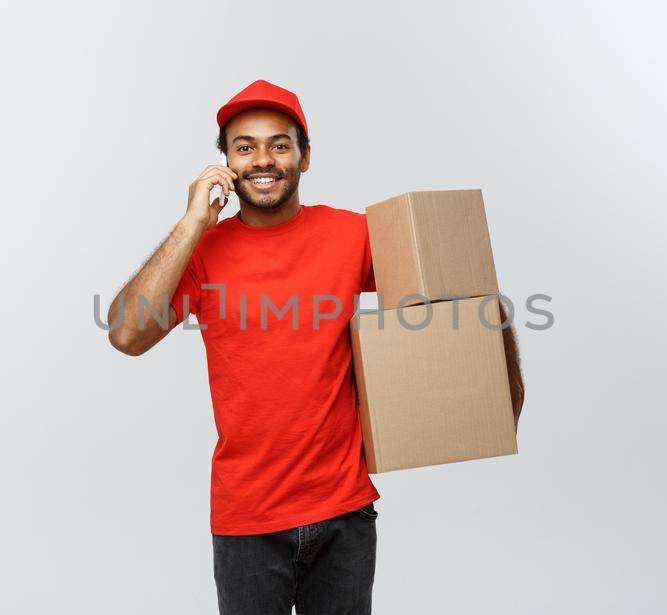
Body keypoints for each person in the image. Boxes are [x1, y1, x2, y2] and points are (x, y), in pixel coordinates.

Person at [105, 79, 524, 615]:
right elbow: (126, 334)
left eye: (280, 145)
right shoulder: (202, 253)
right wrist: (191, 223)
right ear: (226, 164)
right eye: (244, 146)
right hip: (247, 521)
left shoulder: (353, 236)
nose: (263, 159)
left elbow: (457, 296)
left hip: (344, 511)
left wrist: (500, 386)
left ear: (305, 158)